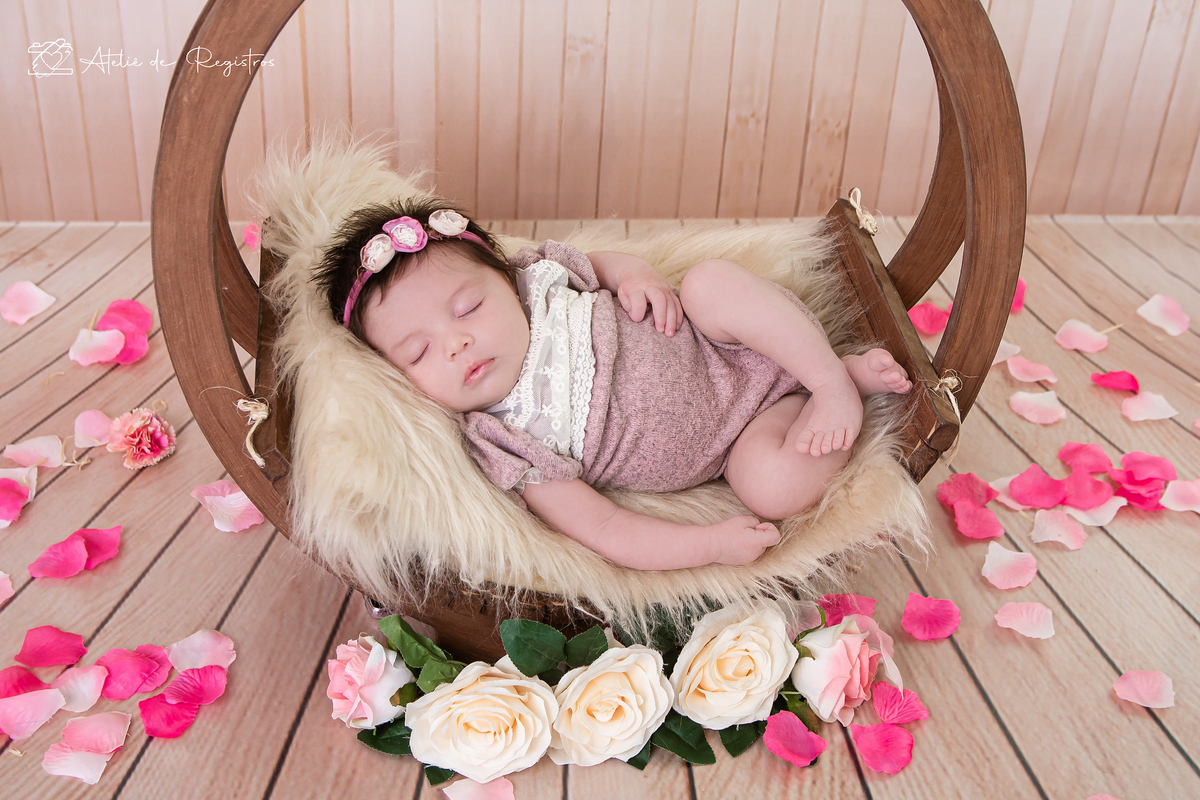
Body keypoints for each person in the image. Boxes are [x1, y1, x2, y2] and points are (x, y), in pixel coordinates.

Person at [316, 199, 912, 572]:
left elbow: (605, 263)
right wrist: (709, 545)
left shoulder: (540, 283)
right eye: (418, 352)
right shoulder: (504, 439)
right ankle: (837, 386)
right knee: (771, 489)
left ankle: (828, 378)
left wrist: (638, 275)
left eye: (468, 307)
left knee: (708, 282)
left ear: (507, 278)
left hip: (728, 339)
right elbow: (604, 528)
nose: (455, 343)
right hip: (739, 443)